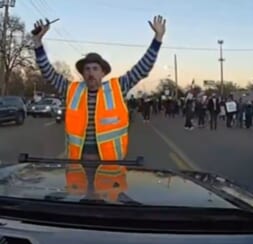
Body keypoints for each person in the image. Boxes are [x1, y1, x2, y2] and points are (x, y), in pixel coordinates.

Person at [32, 16, 166, 161]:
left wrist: (158, 38)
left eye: (95, 69)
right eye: (87, 69)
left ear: (103, 73)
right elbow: (48, 72)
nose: (91, 73)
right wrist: (37, 42)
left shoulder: (117, 87)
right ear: (82, 74)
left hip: (110, 162)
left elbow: (142, 68)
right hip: (77, 162)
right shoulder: (71, 89)